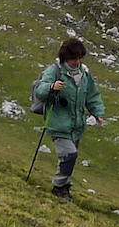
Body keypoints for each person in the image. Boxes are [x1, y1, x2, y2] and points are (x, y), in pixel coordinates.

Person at [34, 38, 106, 202]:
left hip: (76, 125)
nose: (77, 61)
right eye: (74, 58)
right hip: (58, 123)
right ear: (65, 57)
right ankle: (59, 187)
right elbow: (40, 90)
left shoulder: (84, 74)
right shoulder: (54, 71)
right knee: (69, 155)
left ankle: (64, 187)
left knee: (70, 158)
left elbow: (92, 95)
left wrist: (98, 113)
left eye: (80, 58)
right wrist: (52, 87)